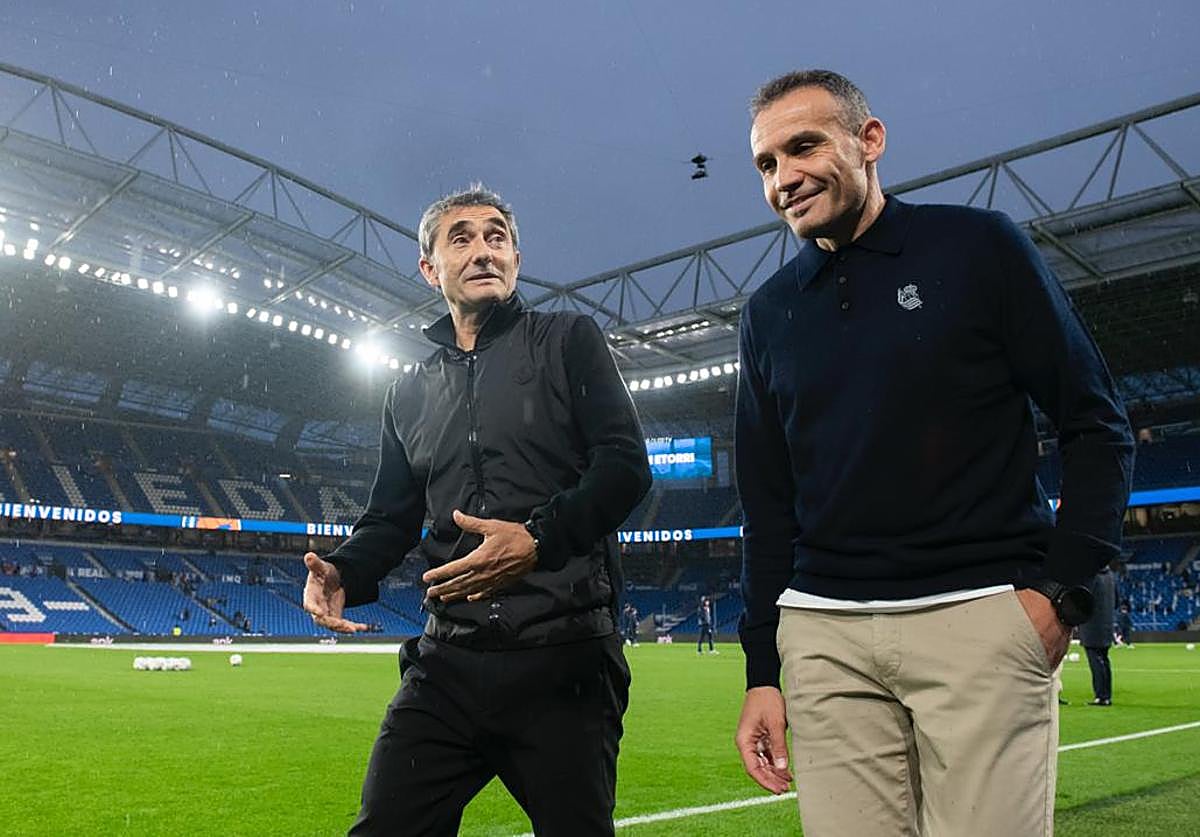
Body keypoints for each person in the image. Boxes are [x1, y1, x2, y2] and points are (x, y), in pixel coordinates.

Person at [733, 69, 1134, 836]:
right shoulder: (767, 313)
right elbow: (767, 502)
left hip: (980, 619)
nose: (784, 178)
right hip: (825, 637)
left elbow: (1095, 420)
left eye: (804, 146)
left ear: (870, 140)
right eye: (766, 164)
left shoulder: (979, 246)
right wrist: (763, 671)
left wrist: (1061, 594)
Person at [302, 185, 651, 836]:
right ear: (431, 269)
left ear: (516, 257)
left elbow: (626, 465)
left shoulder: (569, 340)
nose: (483, 249)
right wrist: (344, 571)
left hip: (564, 658)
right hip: (448, 663)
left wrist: (537, 539)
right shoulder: (408, 390)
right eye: (461, 237)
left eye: (497, 236)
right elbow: (390, 518)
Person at [1080, 566, 1117, 705]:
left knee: (1095, 661)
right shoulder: (1110, 576)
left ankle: (1101, 696)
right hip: (1107, 624)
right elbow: (1117, 600)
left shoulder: (1090, 576)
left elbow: (1083, 598)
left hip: (1092, 625)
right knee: (1104, 660)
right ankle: (1106, 695)